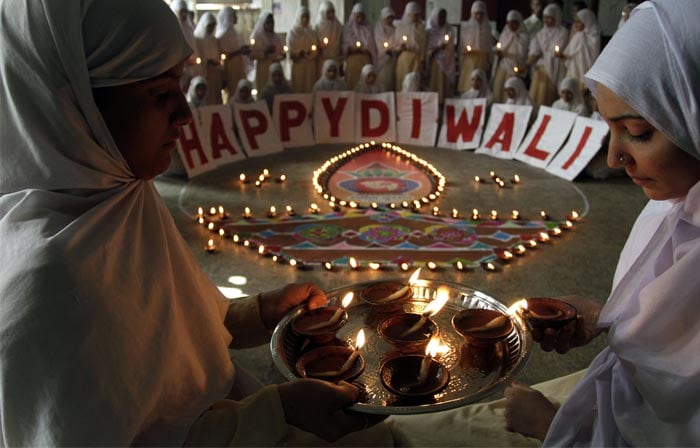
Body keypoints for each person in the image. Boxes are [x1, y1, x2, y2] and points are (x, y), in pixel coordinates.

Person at [0, 0, 385, 445]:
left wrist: (258, 312)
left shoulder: (121, 200)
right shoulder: (45, 293)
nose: (186, 113)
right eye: (160, 95)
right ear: (75, 108)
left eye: (181, 84)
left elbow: (174, 333)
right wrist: (277, 412)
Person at [506, 1, 700, 445]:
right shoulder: (672, 202)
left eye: (638, 131)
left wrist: (559, 426)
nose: (613, 159)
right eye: (609, 129)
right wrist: (605, 316)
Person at [527, 3, 568, 108]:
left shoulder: (562, 32)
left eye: (550, 18)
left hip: (552, 68)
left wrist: (543, 54)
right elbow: (535, 47)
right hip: (540, 69)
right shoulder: (540, 33)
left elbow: (556, 50)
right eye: (545, 18)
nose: (547, 21)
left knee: (545, 96)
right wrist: (536, 54)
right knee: (535, 94)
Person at [492, 10, 530, 103]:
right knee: (499, 89)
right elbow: (500, 47)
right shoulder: (505, 34)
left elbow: (523, 54)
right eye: (509, 23)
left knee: (512, 92)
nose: (512, 26)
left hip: (516, 68)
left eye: (514, 23)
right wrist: (499, 53)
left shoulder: (524, 36)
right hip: (504, 66)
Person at [216, 7, 251, 105]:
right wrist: (239, 51)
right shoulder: (223, 35)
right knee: (231, 93)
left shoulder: (233, 32)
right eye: (234, 15)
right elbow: (223, 56)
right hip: (230, 69)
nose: (236, 17)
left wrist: (243, 50)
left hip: (238, 68)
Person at [458, 1, 493, 95]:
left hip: (482, 58)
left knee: (480, 79)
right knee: (469, 80)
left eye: (481, 14)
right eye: (476, 14)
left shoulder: (487, 27)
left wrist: (489, 59)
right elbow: (462, 44)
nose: (479, 16)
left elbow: (489, 45)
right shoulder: (467, 27)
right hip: (470, 58)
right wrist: (465, 50)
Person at [342, 3, 376, 90]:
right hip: (352, 61)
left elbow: (371, 46)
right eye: (357, 16)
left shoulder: (368, 29)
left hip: (365, 61)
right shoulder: (348, 29)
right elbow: (344, 45)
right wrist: (350, 49)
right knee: (352, 84)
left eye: (362, 16)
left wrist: (366, 49)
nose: (360, 19)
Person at [425, 8, 455, 104]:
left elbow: (450, 47)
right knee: (435, 82)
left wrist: (443, 47)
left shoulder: (448, 29)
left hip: (446, 61)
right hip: (434, 62)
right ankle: (433, 103)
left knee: (444, 84)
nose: (442, 19)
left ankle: (443, 103)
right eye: (440, 17)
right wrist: (436, 49)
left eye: (444, 17)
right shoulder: (429, 31)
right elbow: (426, 47)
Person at [248, 12, 284, 92]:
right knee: (264, 90)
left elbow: (280, 51)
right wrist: (265, 52)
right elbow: (251, 54)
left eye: (272, 22)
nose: (271, 25)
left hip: (275, 67)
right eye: (268, 22)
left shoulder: (275, 37)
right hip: (263, 68)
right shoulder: (257, 36)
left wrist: (281, 55)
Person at [563, 8, 600, 87]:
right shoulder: (578, 35)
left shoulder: (594, 36)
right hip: (573, 68)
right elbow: (569, 54)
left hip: (586, 69)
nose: (576, 24)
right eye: (575, 21)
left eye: (579, 22)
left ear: (587, 21)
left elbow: (593, 55)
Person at [394, 2, 426, 93]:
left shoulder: (421, 27)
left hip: (416, 58)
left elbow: (423, 44)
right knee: (403, 80)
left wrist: (422, 58)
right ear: (408, 14)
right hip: (404, 58)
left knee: (415, 81)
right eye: (414, 15)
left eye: (418, 15)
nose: (416, 17)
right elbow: (395, 45)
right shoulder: (400, 27)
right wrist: (400, 47)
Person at [193, 11, 223, 105]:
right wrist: (206, 62)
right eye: (209, 25)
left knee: (216, 96)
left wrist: (217, 62)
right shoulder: (198, 39)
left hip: (215, 73)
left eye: (213, 26)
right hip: (205, 73)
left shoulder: (214, 40)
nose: (211, 28)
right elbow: (198, 56)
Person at [286, 6, 318, 94]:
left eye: (307, 17)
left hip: (309, 65)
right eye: (303, 17)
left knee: (309, 87)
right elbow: (290, 50)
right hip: (298, 65)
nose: (305, 19)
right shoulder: (292, 32)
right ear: (298, 17)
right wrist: (298, 54)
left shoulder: (311, 32)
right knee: (298, 88)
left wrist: (309, 54)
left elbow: (315, 48)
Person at [314, 1, 343, 79]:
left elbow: (340, 41)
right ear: (323, 12)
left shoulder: (338, 25)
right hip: (322, 57)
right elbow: (315, 41)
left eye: (332, 12)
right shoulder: (318, 26)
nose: (331, 14)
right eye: (328, 12)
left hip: (335, 56)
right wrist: (321, 46)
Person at [374, 7, 397, 92]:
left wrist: (393, 49)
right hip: (382, 59)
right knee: (383, 79)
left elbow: (397, 41)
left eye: (391, 18)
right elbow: (379, 41)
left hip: (392, 59)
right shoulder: (379, 28)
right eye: (388, 18)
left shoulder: (394, 29)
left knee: (391, 79)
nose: (390, 20)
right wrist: (386, 50)